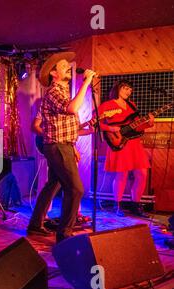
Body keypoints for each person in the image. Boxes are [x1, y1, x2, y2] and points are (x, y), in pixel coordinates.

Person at [26, 51, 96, 243]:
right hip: (57, 146)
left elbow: (66, 127)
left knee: (53, 185)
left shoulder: (64, 93)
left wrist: (77, 140)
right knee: (76, 189)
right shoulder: (54, 92)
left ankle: (35, 225)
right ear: (54, 74)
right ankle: (64, 235)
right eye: (63, 66)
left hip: (64, 145)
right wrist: (86, 83)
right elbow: (71, 109)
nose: (68, 68)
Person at [98, 80, 154, 217]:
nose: (128, 91)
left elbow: (136, 126)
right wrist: (110, 128)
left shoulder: (132, 105)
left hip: (134, 143)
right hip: (119, 143)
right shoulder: (107, 105)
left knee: (142, 174)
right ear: (117, 88)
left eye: (130, 89)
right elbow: (96, 124)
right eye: (125, 88)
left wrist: (148, 124)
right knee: (121, 175)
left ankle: (136, 205)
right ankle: (118, 206)